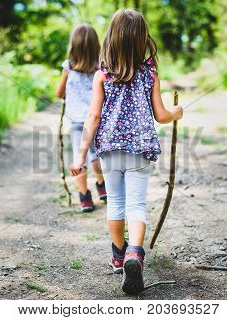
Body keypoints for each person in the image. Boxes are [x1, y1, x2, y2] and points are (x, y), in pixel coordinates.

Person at [70, 9, 183, 294]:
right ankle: (135, 252)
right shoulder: (150, 74)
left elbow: (93, 118)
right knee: (136, 204)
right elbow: (161, 115)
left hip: (108, 149)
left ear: (112, 39)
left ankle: (119, 256)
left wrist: (81, 155)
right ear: (141, 40)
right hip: (139, 149)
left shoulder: (103, 75)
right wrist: (176, 112)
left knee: (115, 203)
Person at [56, 24, 107, 213]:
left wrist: (69, 94)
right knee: (96, 154)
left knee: (80, 158)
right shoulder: (101, 68)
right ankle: (102, 186)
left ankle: (85, 196)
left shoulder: (68, 67)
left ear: (73, 46)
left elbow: (59, 92)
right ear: (96, 46)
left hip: (77, 122)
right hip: (96, 119)